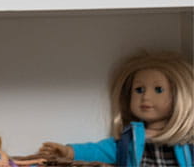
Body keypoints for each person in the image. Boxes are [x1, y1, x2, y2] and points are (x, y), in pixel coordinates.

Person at [23, 50, 193, 167]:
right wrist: (68, 152)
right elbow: (98, 151)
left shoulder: (186, 142)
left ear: (180, 95)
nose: (146, 97)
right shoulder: (129, 141)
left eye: (158, 90)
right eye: (139, 90)